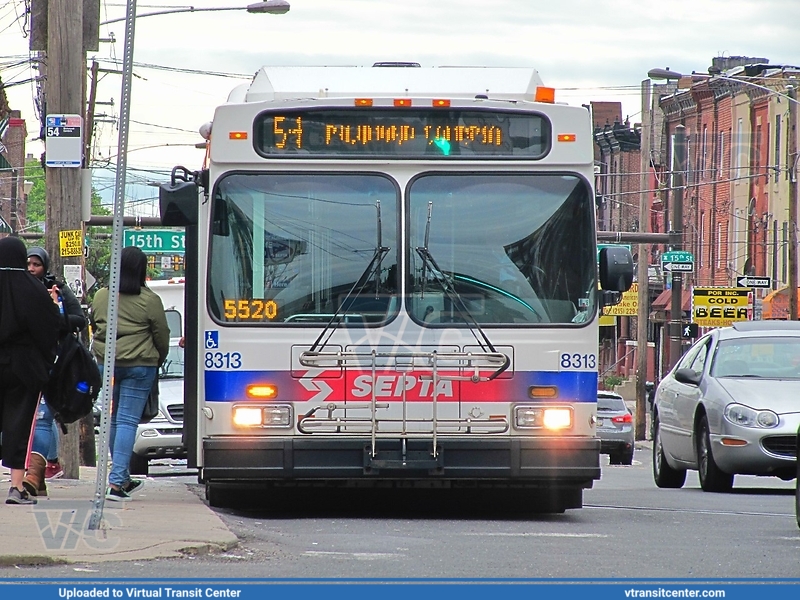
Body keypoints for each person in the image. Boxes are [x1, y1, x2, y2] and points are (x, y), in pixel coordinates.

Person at [91, 247, 170, 502]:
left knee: (112, 419)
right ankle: (116, 483)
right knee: (126, 421)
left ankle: (121, 477)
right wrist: (158, 357)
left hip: (108, 365)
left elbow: (95, 323)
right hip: (140, 366)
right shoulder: (150, 300)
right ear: (142, 270)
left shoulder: (102, 296)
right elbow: (162, 335)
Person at [0, 237, 61, 505]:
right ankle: (16, 487)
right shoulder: (34, 290)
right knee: (20, 424)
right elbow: (50, 331)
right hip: (24, 369)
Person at [23, 246, 88, 496]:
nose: (31, 269)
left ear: (45, 267)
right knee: (26, 419)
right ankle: (36, 478)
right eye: (28, 264)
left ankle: (35, 473)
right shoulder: (17, 288)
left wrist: (55, 315)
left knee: (42, 417)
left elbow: (79, 320)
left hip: (55, 363)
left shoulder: (58, 290)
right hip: (25, 362)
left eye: (36, 264)